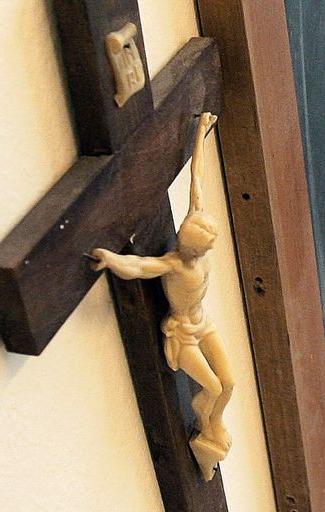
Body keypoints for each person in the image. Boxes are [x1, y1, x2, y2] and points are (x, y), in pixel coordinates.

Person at [91, 112, 234, 481]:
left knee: (229, 384)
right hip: (182, 333)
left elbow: (197, 183)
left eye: (195, 243)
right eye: (185, 242)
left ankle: (210, 429)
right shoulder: (174, 263)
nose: (188, 246)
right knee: (213, 387)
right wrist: (110, 259)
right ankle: (208, 435)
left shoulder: (198, 235)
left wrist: (201, 132)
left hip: (204, 324)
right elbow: (139, 267)